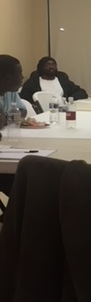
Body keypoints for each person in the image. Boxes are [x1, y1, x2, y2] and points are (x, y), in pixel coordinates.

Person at [0, 54, 27, 199]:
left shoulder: (10, 92)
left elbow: (22, 110)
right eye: (20, 73)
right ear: (8, 78)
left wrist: (6, 118)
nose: (23, 77)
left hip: (6, 147)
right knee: (26, 179)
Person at [20, 56, 88, 104]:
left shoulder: (62, 79)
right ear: (41, 68)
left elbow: (82, 92)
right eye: (47, 65)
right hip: (41, 112)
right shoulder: (33, 82)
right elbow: (24, 100)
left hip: (62, 110)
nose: (51, 67)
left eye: (53, 65)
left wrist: (67, 100)